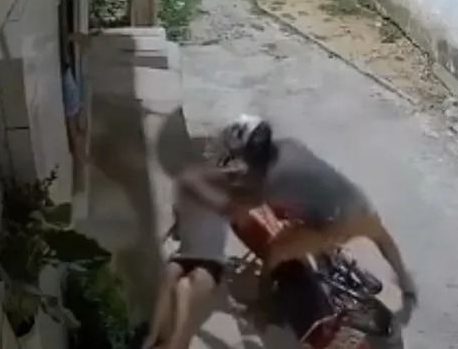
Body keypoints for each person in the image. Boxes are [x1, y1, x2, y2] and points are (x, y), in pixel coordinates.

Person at [178, 115, 418, 327]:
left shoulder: (269, 182)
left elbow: (241, 208)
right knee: (380, 235)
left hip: (335, 224)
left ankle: (265, 310)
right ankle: (405, 280)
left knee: (275, 255)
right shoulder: (288, 145)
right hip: (358, 202)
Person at [142, 165, 235, 349]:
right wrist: (178, 224)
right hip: (186, 254)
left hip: (212, 259)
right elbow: (178, 233)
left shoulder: (221, 200)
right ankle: (158, 337)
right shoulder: (187, 203)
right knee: (171, 274)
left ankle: (174, 342)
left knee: (190, 284)